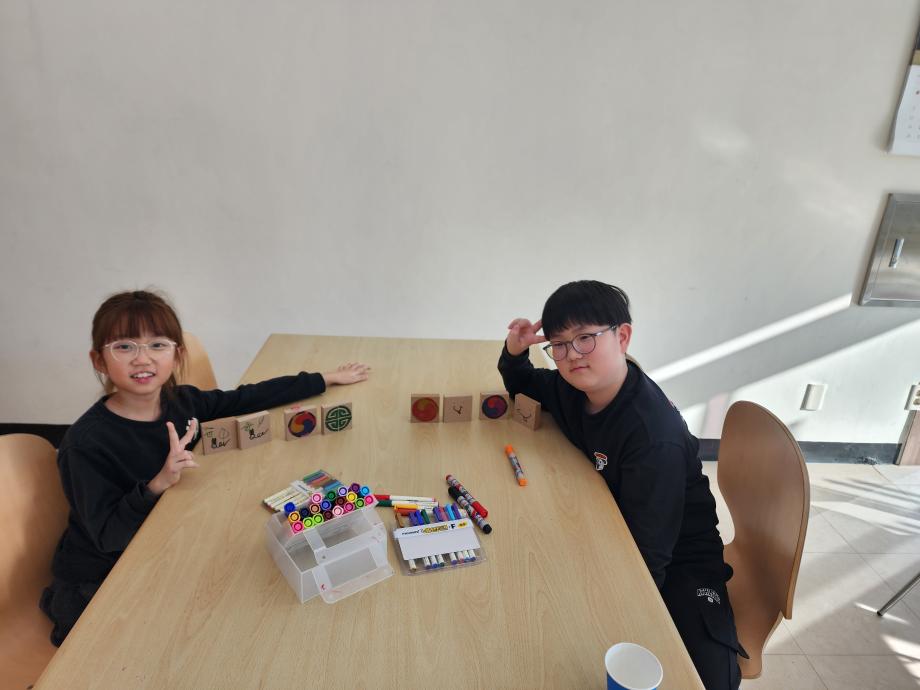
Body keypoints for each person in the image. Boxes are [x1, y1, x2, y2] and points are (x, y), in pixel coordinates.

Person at [40, 289, 369, 646]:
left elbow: (246, 397)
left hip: (163, 541)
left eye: (157, 345)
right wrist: (157, 484)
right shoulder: (85, 444)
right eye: (124, 346)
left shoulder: (182, 402)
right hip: (99, 576)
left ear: (177, 354)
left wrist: (324, 378)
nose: (142, 358)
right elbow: (108, 536)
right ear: (99, 360)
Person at [499, 280, 745, 690]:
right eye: (558, 344)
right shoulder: (576, 388)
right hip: (612, 525)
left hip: (677, 559)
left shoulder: (652, 436)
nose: (571, 355)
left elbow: (650, 556)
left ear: (623, 336)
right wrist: (515, 348)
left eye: (585, 338)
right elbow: (521, 381)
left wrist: (612, 611)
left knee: (706, 678)